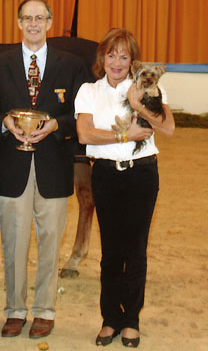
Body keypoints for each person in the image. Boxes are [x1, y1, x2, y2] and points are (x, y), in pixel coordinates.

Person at [0, 0, 89, 339]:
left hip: (53, 170)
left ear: (50, 22)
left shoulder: (71, 66)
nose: (34, 24)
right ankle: (14, 310)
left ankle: (44, 310)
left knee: (50, 243)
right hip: (11, 171)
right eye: (28, 18)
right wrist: (5, 122)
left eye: (40, 18)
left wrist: (57, 126)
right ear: (18, 23)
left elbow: (81, 116)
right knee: (12, 245)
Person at [75, 28, 175, 347]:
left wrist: (139, 105)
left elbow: (168, 127)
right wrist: (125, 136)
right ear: (101, 58)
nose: (117, 62)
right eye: (111, 54)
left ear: (133, 61)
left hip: (142, 176)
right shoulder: (89, 91)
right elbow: (85, 135)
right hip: (105, 175)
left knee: (136, 250)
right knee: (111, 251)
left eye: (124, 56)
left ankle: (131, 320)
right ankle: (110, 319)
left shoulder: (147, 87)